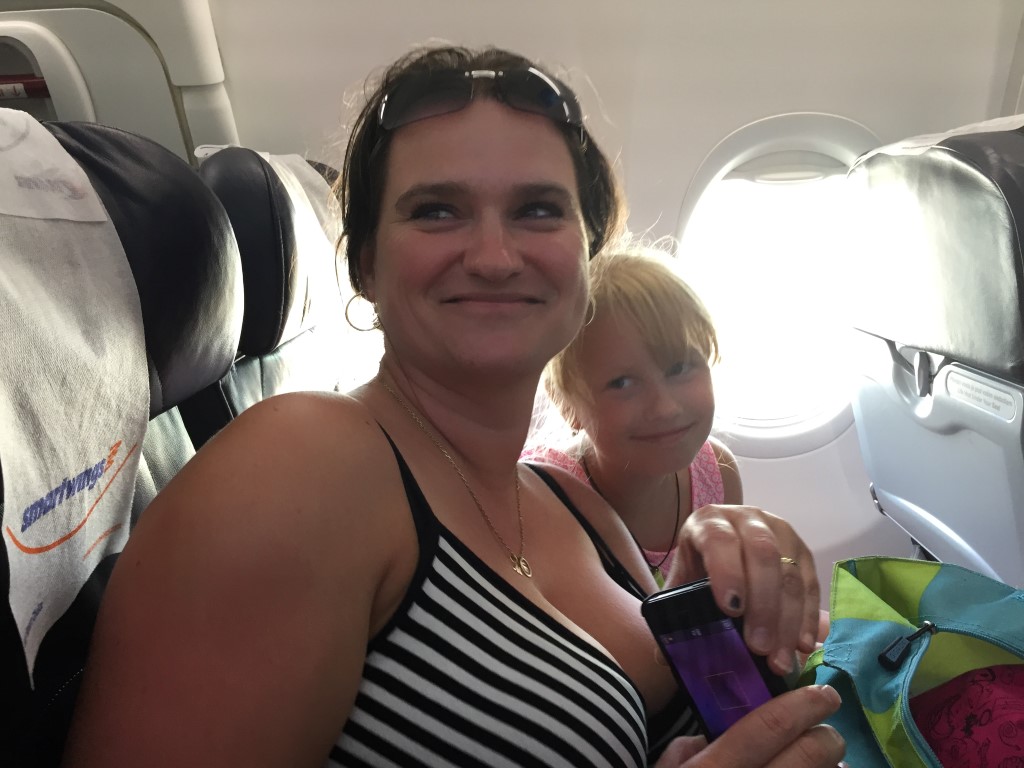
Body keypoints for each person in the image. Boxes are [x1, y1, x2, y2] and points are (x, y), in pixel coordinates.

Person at [61, 45, 844, 767]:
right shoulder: (300, 466)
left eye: (539, 209)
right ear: (365, 263)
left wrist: (711, 595)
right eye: (437, 210)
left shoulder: (564, 498)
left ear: (586, 259)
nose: (496, 257)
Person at [524, 245, 739, 589]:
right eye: (622, 383)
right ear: (567, 406)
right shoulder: (545, 498)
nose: (665, 407)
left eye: (679, 368)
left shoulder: (717, 474)